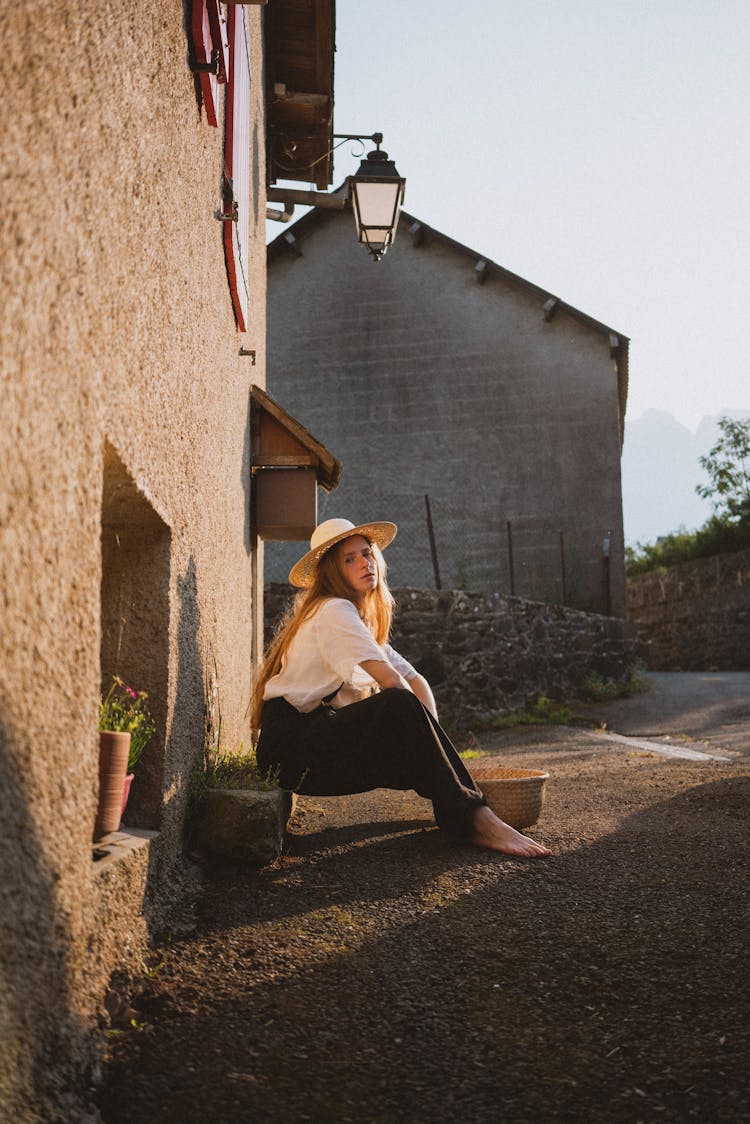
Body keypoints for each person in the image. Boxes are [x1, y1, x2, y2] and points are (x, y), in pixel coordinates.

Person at [253, 518, 550, 858]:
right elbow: (393, 685)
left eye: (366, 553)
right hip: (291, 751)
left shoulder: (358, 619)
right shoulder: (333, 610)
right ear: (332, 573)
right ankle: (476, 818)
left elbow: (416, 681)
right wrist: (429, 749)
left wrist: (436, 751)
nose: (364, 563)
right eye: (349, 559)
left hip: (310, 744)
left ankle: (460, 808)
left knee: (408, 716)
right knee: (397, 705)